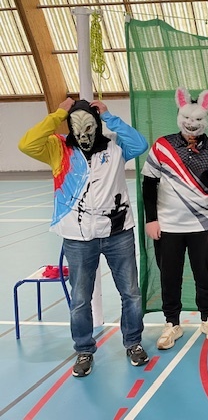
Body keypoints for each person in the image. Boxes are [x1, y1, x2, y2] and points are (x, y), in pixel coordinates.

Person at [18, 97, 149, 377]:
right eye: (77, 127)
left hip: (118, 233)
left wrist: (110, 116)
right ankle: (84, 350)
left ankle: (133, 343)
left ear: (98, 124)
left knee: (131, 293)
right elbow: (26, 144)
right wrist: (59, 113)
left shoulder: (115, 146)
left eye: (89, 125)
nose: (84, 133)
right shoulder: (58, 149)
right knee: (80, 298)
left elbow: (140, 144)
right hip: (77, 238)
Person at [142, 87, 208, 350]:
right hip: (167, 226)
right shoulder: (162, 146)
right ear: (179, 115)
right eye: (187, 119)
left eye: (197, 120)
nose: (192, 125)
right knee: (170, 276)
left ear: (205, 118)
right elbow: (148, 184)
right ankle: (172, 323)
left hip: (203, 226)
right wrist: (151, 219)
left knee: (205, 275)